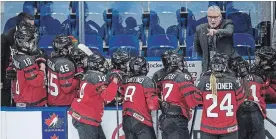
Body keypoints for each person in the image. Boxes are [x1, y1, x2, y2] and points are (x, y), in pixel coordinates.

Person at [186, 53, 245, 139]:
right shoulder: (234, 80)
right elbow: (241, 99)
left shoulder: (202, 80)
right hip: (229, 128)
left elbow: (196, 100)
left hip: (208, 128)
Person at [68, 52, 120, 139]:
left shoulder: (88, 75)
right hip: (86, 119)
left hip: (86, 117)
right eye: (103, 64)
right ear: (98, 65)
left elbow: (97, 96)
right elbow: (108, 96)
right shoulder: (97, 76)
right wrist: (115, 80)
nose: (105, 66)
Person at [229, 56, 276, 139]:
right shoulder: (258, 78)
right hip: (256, 112)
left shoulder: (232, 81)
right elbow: (266, 94)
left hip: (239, 114)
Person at [158, 52, 198, 139]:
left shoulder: (164, 78)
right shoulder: (183, 77)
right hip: (176, 120)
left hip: (165, 118)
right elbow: (192, 103)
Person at [6, 24, 47, 107]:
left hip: (21, 99)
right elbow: (37, 82)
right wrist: (42, 68)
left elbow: (12, 69)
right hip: (31, 102)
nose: (34, 44)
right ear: (25, 43)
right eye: (32, 42)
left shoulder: (16, 54)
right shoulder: (27, 60)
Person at [120, 56, 159, 139]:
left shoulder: (126, 81)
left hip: (126, 120)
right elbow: (153, 105)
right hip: (141, 120)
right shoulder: (146, 80)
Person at [1, 13, 35, 106]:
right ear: (21, 24)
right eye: (29, 25)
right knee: (6, 103)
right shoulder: (5, 37)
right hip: (8, 79)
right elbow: (1, 58)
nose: (32, 28)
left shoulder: (32, 35)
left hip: (25, 78)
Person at [194, 5, 239, 72]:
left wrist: (216, 32)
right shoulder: (200, 29)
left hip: (227, 67)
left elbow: (229, 32)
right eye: (210, 17)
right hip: (208, 68)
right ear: (207, 17)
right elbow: (198, 48)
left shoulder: (227, 23)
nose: (212, 20)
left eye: (215, 17)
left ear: (220, 17)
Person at [46, 35, 80, 106]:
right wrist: (78, 80)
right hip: (63, 103)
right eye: (69, 47)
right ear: (63, 49)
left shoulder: (50, 58)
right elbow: (67, 88)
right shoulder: (65, 63)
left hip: (52, 100)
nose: (72, 48)